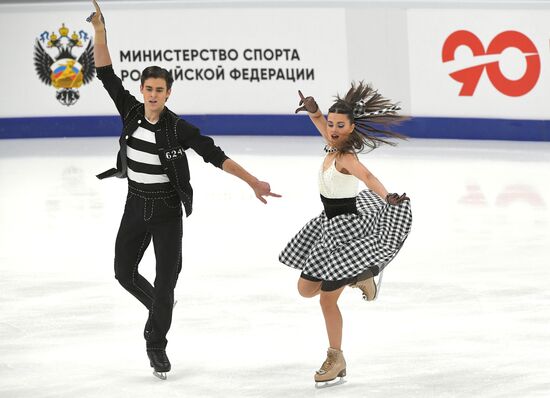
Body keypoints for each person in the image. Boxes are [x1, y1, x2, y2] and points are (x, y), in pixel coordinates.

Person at [88, 0, 280, 379]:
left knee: (165, 280)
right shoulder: (130, 110)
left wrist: (252, 181)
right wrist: (100, 32)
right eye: (149, 88)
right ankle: (161, 307)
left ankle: (156, 344)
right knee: (123, 273)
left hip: (166, 212)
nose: (154, 94)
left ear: (169, 93)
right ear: (142, 90)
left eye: (160, 89)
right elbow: (106, 73)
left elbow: (214, 154)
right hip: (135, 203)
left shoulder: (179, 128)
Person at [279, 83, 412, 386]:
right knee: (305, 289)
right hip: (327, 226)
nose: (334, 129)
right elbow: (321, 125)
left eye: (341, 125)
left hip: (345, 236)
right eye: (331, 123)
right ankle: (359, 276)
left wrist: (386, 195)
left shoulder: (346, 157)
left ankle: (335, 357)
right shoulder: (330, 143)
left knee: (326, 300)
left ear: (351, 128)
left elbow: (368, 176)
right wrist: (314, 111)